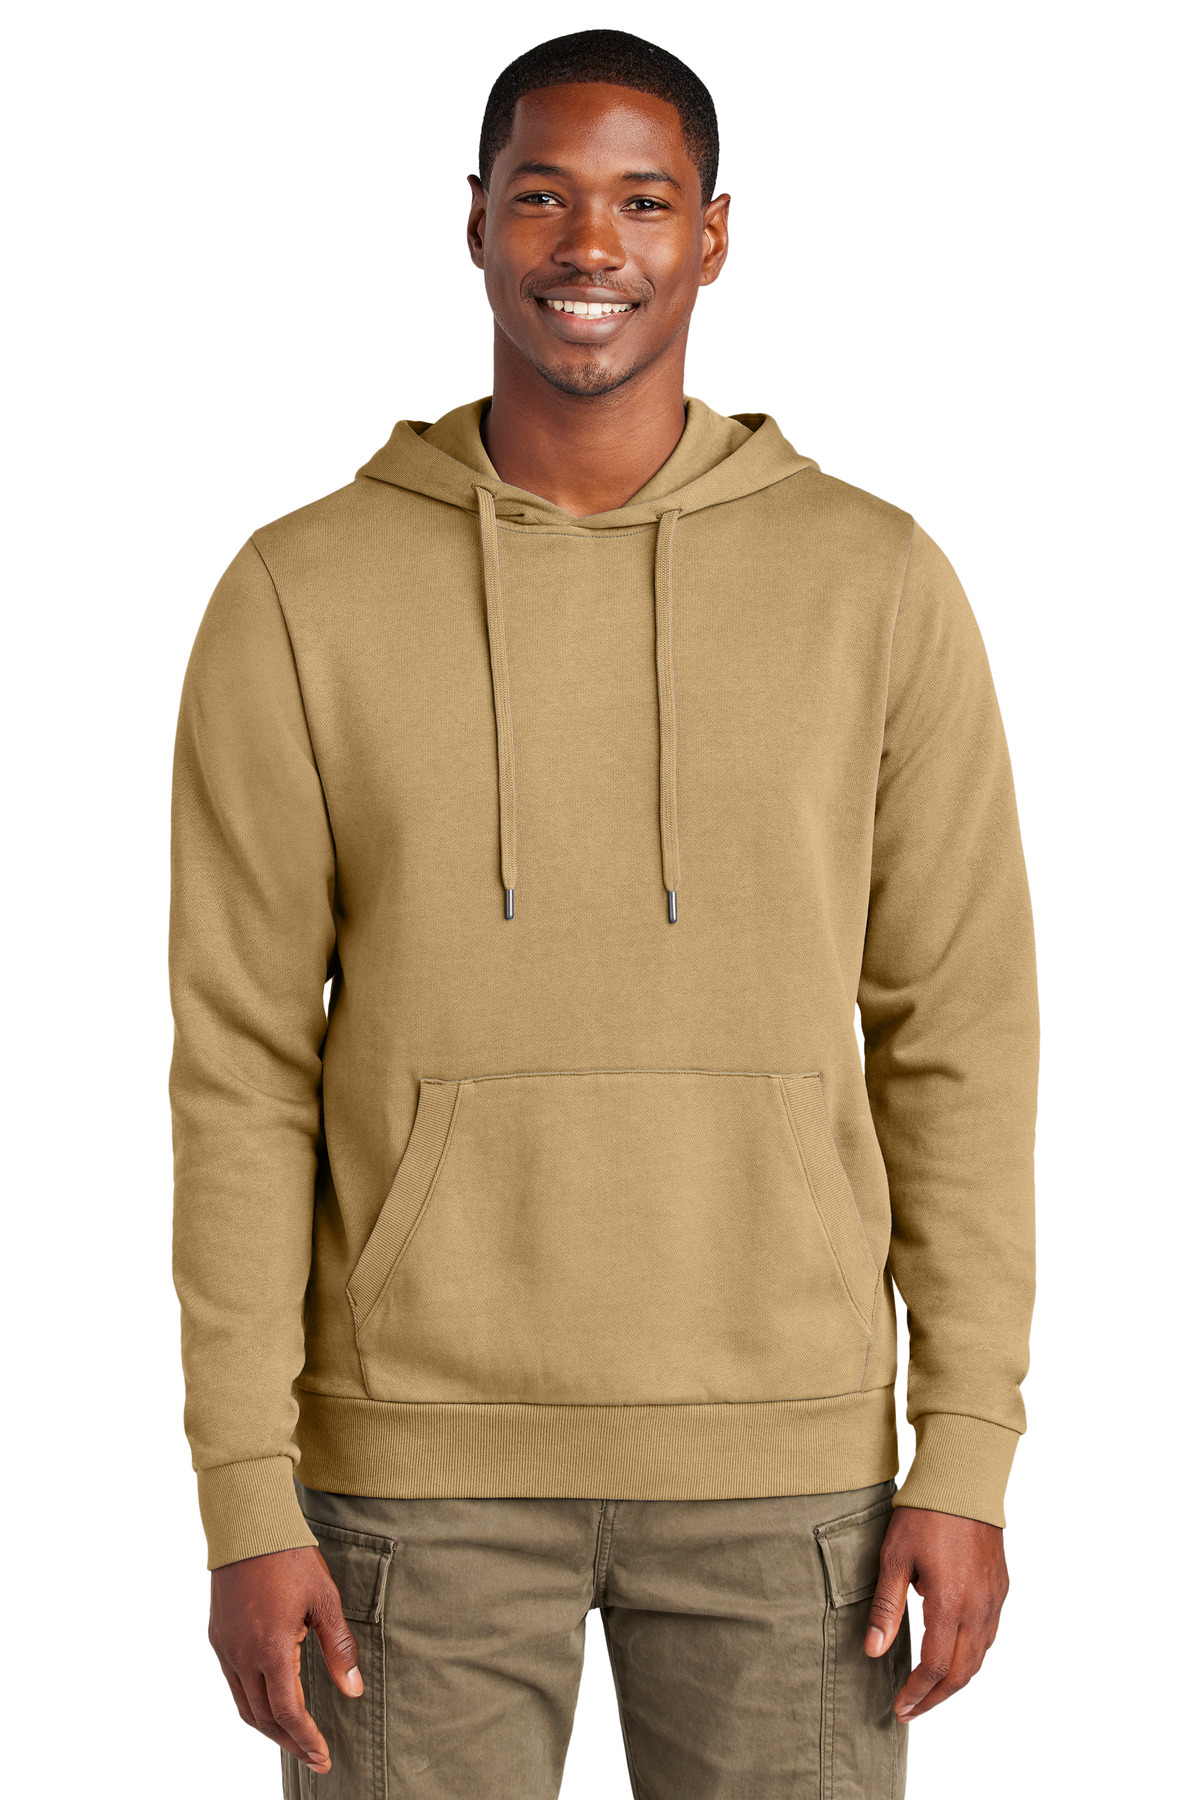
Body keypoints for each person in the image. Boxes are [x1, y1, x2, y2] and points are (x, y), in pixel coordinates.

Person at [169, 29, 1038, 1799]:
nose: (590, 247)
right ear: (474, 223)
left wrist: (965, 1447)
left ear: (713, 235)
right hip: (409, 1468)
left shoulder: (875, 583)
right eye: (543, 196)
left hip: (786, 1462)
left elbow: (957, 1034)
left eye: (644, 201)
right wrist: (244, 1491)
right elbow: (240, 1068)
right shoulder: (300, 592)